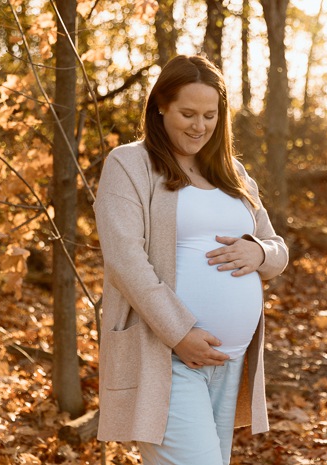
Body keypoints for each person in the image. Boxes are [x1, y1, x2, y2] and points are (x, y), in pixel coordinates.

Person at [94, 54, 288, 465]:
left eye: (209, 115)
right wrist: (179, 333)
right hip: (165, 355)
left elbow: (278, 249)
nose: (199, 126)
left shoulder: (232, 172)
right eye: (187, 113)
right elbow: (125, 259)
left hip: (230, 361)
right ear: (161, 104)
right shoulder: (130, 164)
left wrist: (258, 251)